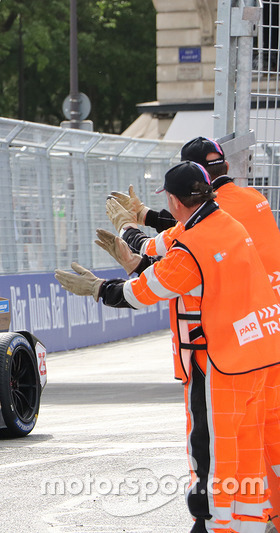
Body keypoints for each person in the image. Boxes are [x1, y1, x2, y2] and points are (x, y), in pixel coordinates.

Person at [56, 161, 280, 532]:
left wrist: (98, 288)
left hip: (220, 363)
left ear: (174, 201)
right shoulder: (227, 224)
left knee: (212, 452)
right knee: (248, 452)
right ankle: (251, 524)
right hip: (261, 354)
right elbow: (167, 255)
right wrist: (134, 243)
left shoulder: (193, 246)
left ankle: (213, 526)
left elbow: (144, 291)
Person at [108, 137, 280, 298]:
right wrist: (146, 216)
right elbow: (184, 220)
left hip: (246, 306)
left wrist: (126, 228)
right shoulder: (256, 197)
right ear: (226, 166)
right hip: (269, 301)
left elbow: (149, 248)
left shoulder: (209, 217)